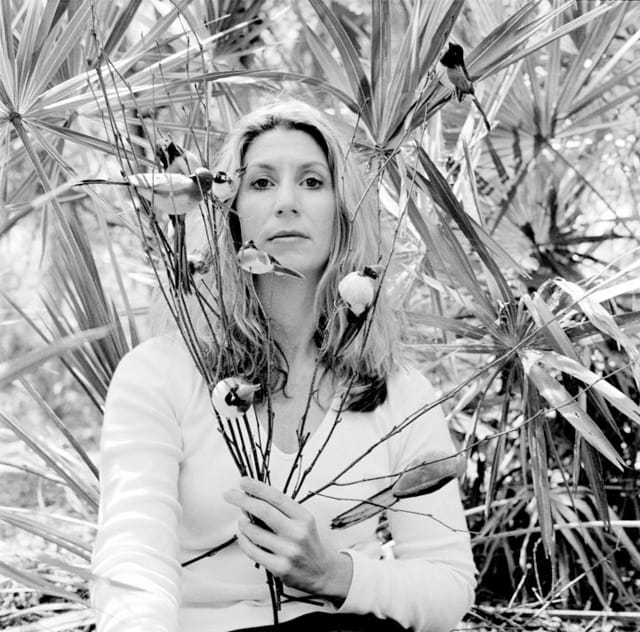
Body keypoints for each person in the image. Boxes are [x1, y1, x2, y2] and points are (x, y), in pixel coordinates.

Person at [91, 100, 476, 632]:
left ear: (344, 212)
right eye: (262, 182)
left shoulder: (400, 391)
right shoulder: (160, 373)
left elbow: (448, 585)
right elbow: (132, 558)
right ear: (230, 210)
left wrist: (334, 573)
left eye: (313, 182)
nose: (287, 202)